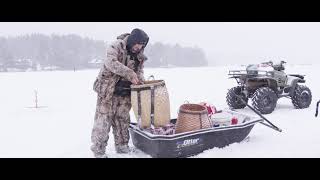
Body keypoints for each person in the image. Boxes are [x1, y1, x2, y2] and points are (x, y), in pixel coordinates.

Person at [91, 28, 149, 158]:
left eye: (142, 45)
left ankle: (122, 146)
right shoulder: (116, 46)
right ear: (133, 40)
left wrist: (141, 81)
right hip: (108, 91)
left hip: (125, 92)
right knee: (103, 120)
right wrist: (130, 73)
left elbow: (139, 72)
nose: (139, 47)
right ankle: (98, 151)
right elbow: (110, 63)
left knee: (122, 119)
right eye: (138, 44)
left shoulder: (139, 55)